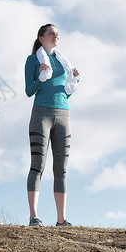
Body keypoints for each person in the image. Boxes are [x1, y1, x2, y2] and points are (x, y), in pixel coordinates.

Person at [24, 24, 80, 227]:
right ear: (41, 38)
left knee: (61, 169)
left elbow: (64, 92)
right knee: (37, 165)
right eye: (51, 33)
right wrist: (40, 77)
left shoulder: (63, 61)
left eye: (57, 33)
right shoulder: (33, 60)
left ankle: (61, 219)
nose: (56, 36)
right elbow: (29, 91)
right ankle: (33, 217)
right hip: (41, 113)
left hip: (63, 115)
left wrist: (74, 82)